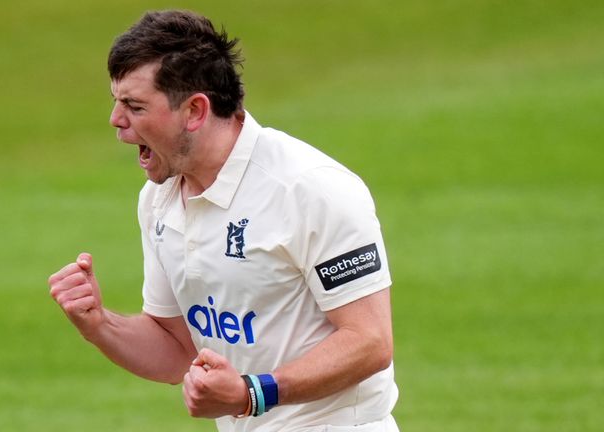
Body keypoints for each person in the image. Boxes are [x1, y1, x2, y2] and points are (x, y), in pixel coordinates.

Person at [49, 10, 399, 432]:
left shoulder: (309, 189)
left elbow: (370, 342)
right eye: (116, 102)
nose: (116, 122)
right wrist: (99, 323)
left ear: (195, 110)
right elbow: (178, 349)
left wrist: (253, 393)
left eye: (134, 106)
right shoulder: (159, 199)